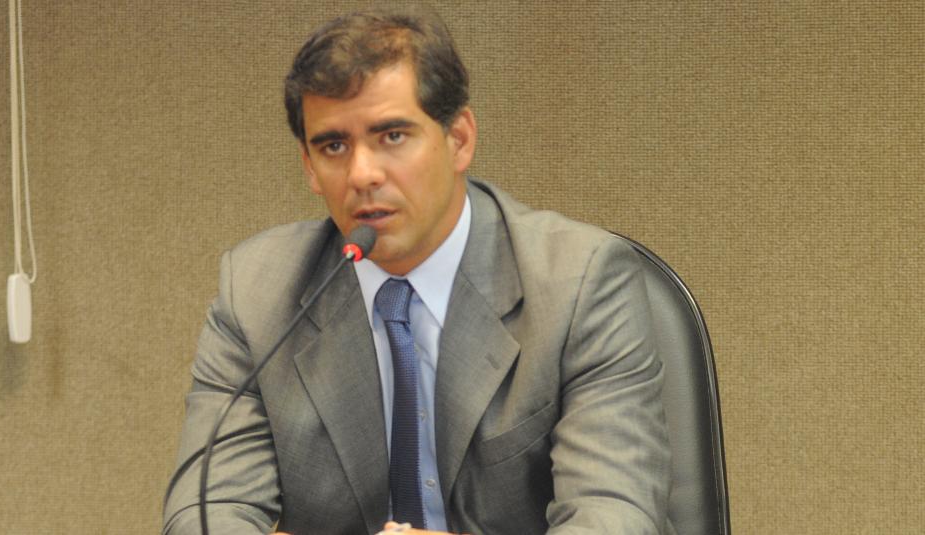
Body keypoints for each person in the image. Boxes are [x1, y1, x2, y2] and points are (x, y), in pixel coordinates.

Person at [163, 6, 674, 535]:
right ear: (309, 167)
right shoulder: (256, 294)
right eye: (334, 146)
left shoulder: (579, 283)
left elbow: (614, 518)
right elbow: (202, 516)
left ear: (459, 139)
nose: (362, 174)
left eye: (392, 136)